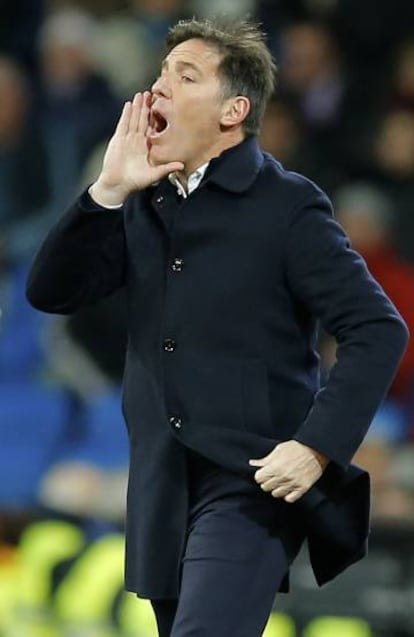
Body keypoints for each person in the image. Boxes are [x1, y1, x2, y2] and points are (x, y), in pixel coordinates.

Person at [26, 17, 408, 637]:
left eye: (185, 75)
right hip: (159, 482)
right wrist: (105, 191)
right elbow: (52, 292)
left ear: (233, 110)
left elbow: (377, 328)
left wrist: (316, 447)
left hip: (249, 484)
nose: (159, 89)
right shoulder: (144, 199)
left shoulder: (288, 205)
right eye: (160, 73)